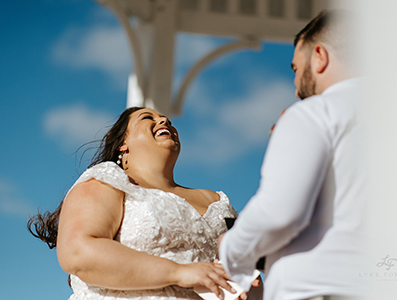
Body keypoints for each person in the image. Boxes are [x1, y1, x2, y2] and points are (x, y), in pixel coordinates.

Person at [219, 10, 367, 300]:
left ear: (320, 56)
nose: (297, 86)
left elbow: (280, 213)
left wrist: (230, 248)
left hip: (319, 289)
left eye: (297, 69)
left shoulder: (315, 113)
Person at [28, 107, 242, 300]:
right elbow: (78, 253)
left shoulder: (214, 200)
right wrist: (179, 272)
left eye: (167, 119)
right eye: (148, 117)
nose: (164, 120)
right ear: (123, 144)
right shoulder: (107, 180)